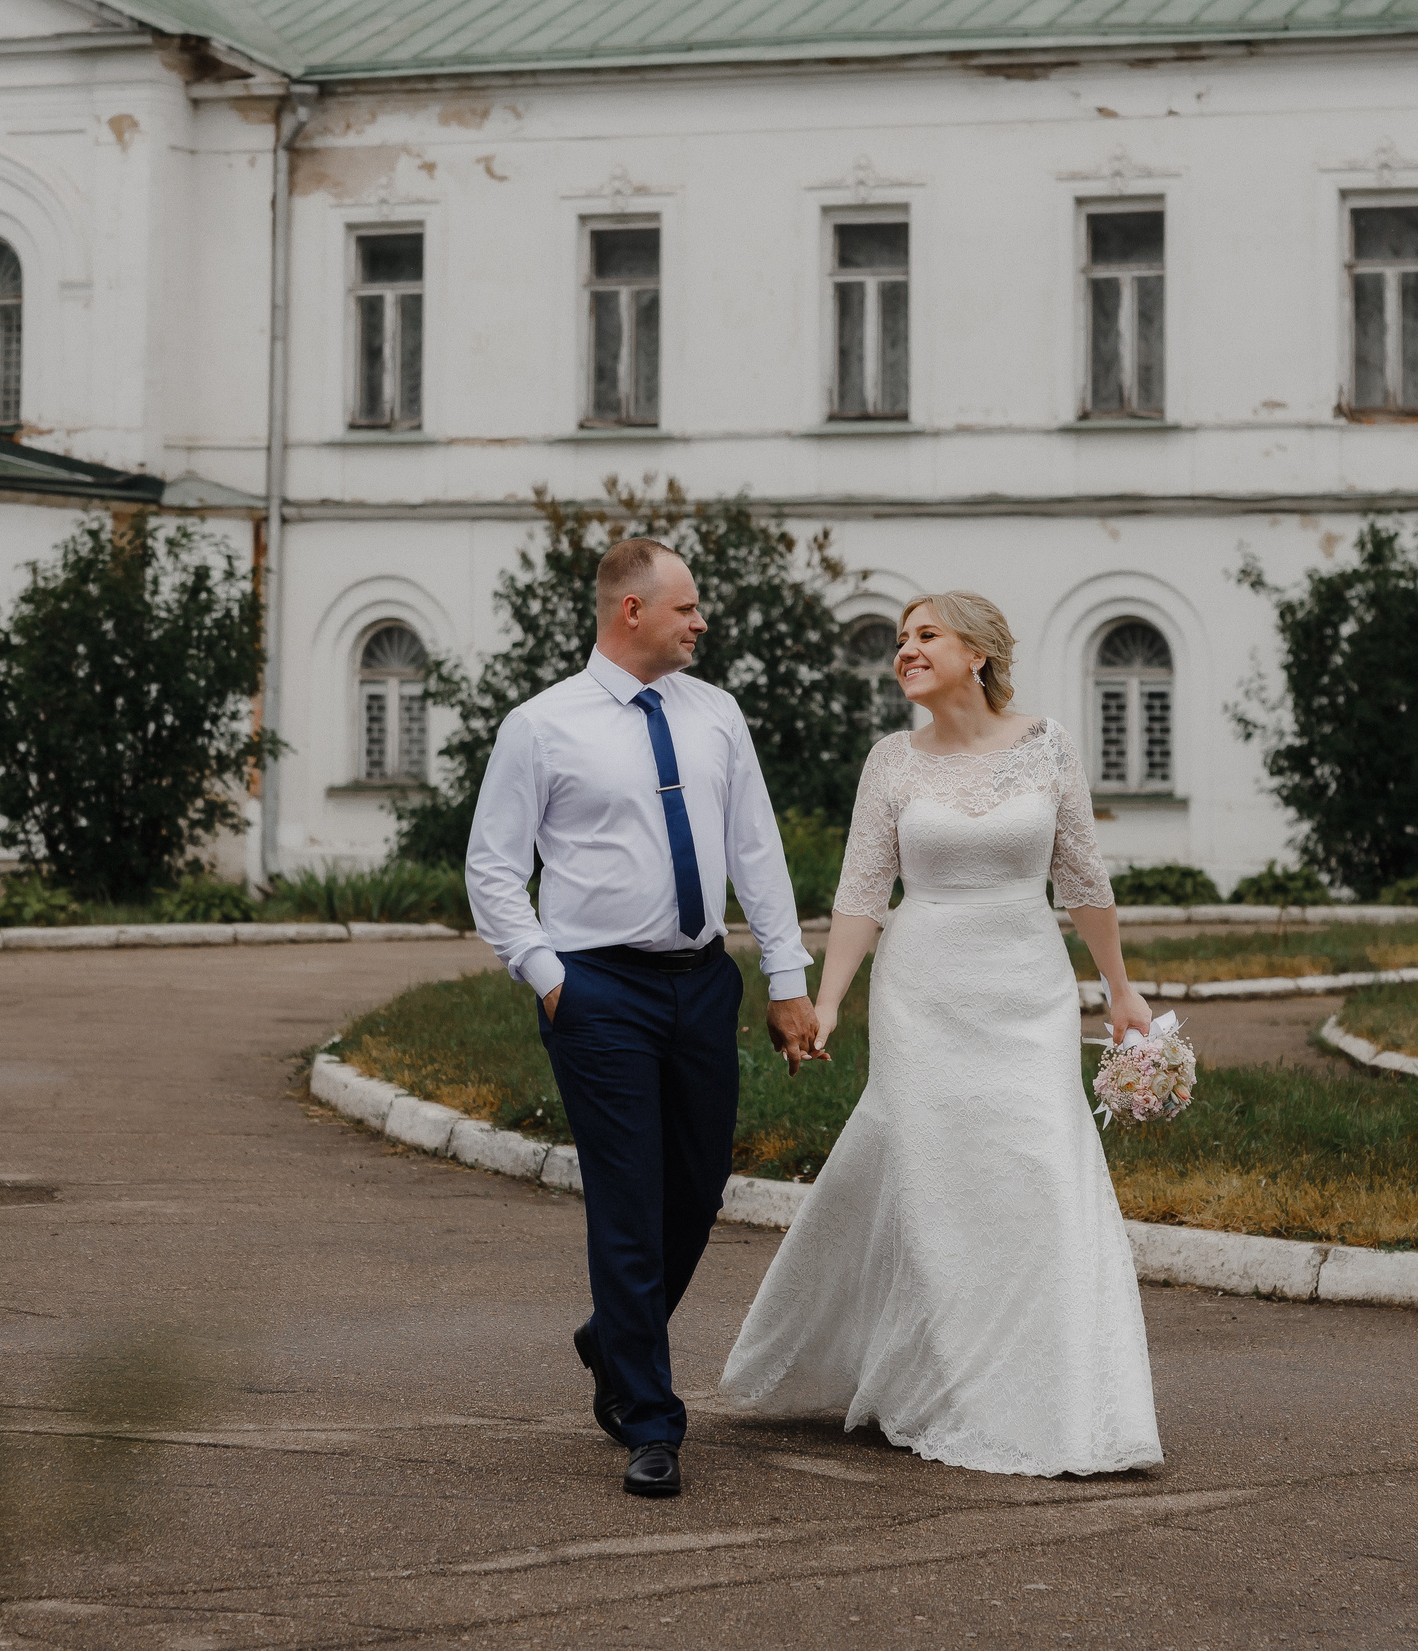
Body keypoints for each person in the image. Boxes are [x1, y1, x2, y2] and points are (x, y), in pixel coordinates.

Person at [719, 590, 1164, 1476]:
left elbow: (1083, 878)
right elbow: (861, 895)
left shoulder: (1046, 746)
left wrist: (1122, 993)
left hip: (1027, 990)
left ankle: (1065, 1393)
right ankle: (949, 1377)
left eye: (925, 636)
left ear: (979, 653)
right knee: (937, 1184)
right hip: (922, 991)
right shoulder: (891, 761)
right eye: (899, 640)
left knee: (1040, 1171)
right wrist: (831, 1000)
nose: (905, 652)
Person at [465, 537, 821, 1499]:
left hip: (702, 983)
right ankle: (652, 1420)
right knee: (629, 1198)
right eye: (687, 607)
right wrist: (549, 977)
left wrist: (787, 980)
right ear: (632, 610)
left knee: (699, 1188)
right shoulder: (541, 726)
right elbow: (493, 869)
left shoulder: (718, 716)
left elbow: (758, 852)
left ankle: (611, 1336)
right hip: (599, 992)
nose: (701, 621)